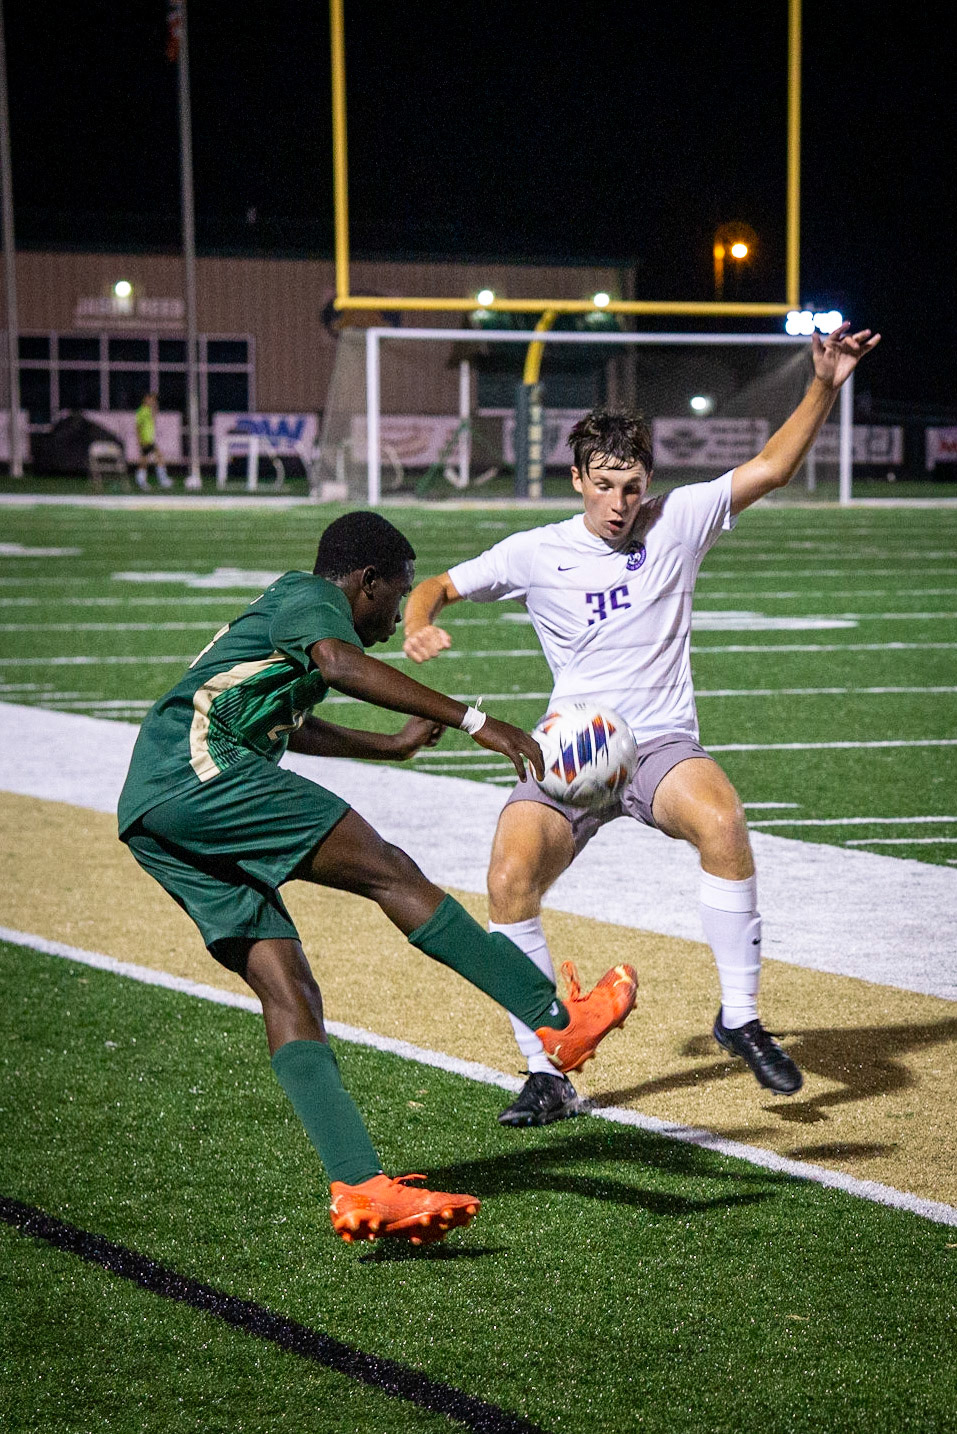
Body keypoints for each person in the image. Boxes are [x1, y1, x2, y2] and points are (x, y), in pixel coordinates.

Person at [403, 322, 881, 1127]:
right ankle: (545, 1071)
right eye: (603, 485)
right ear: (576, 479)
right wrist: (419, 624)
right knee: (509, 877)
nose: (618, 504)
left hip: (657, 741)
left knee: (722, 822)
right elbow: (438, 586)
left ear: (648, 480)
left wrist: (823, 384)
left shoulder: (679, 519)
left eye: (630, 486)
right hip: (572, 751)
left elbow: (772, 466)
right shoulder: (535, 552)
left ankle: (739, 1018)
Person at [117, 511, 638, 1245]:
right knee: (389, 871)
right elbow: (337, 663)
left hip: (154, 807)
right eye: (395, 593)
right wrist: (475, 721)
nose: (397, 614)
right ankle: (556, 1020)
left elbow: (289, 723)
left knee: (289, 991)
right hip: (199, 774)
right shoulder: (310, 599)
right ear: (364, 582)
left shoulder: (292, 621)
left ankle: (362, 1187)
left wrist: (387, 748)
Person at [134, 392, 173, 491]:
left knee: (149, 459)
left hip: (150, 439)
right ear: (145, 399)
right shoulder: (141, 411)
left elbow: (154, 417)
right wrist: (140, 440)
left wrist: (154, 405)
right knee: (147, 460)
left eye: (153, 400)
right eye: (150, 399)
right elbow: (138, 427)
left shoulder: (148, 410)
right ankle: (160, 480)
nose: (152, 401)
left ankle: (144, 481)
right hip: (145, 439)